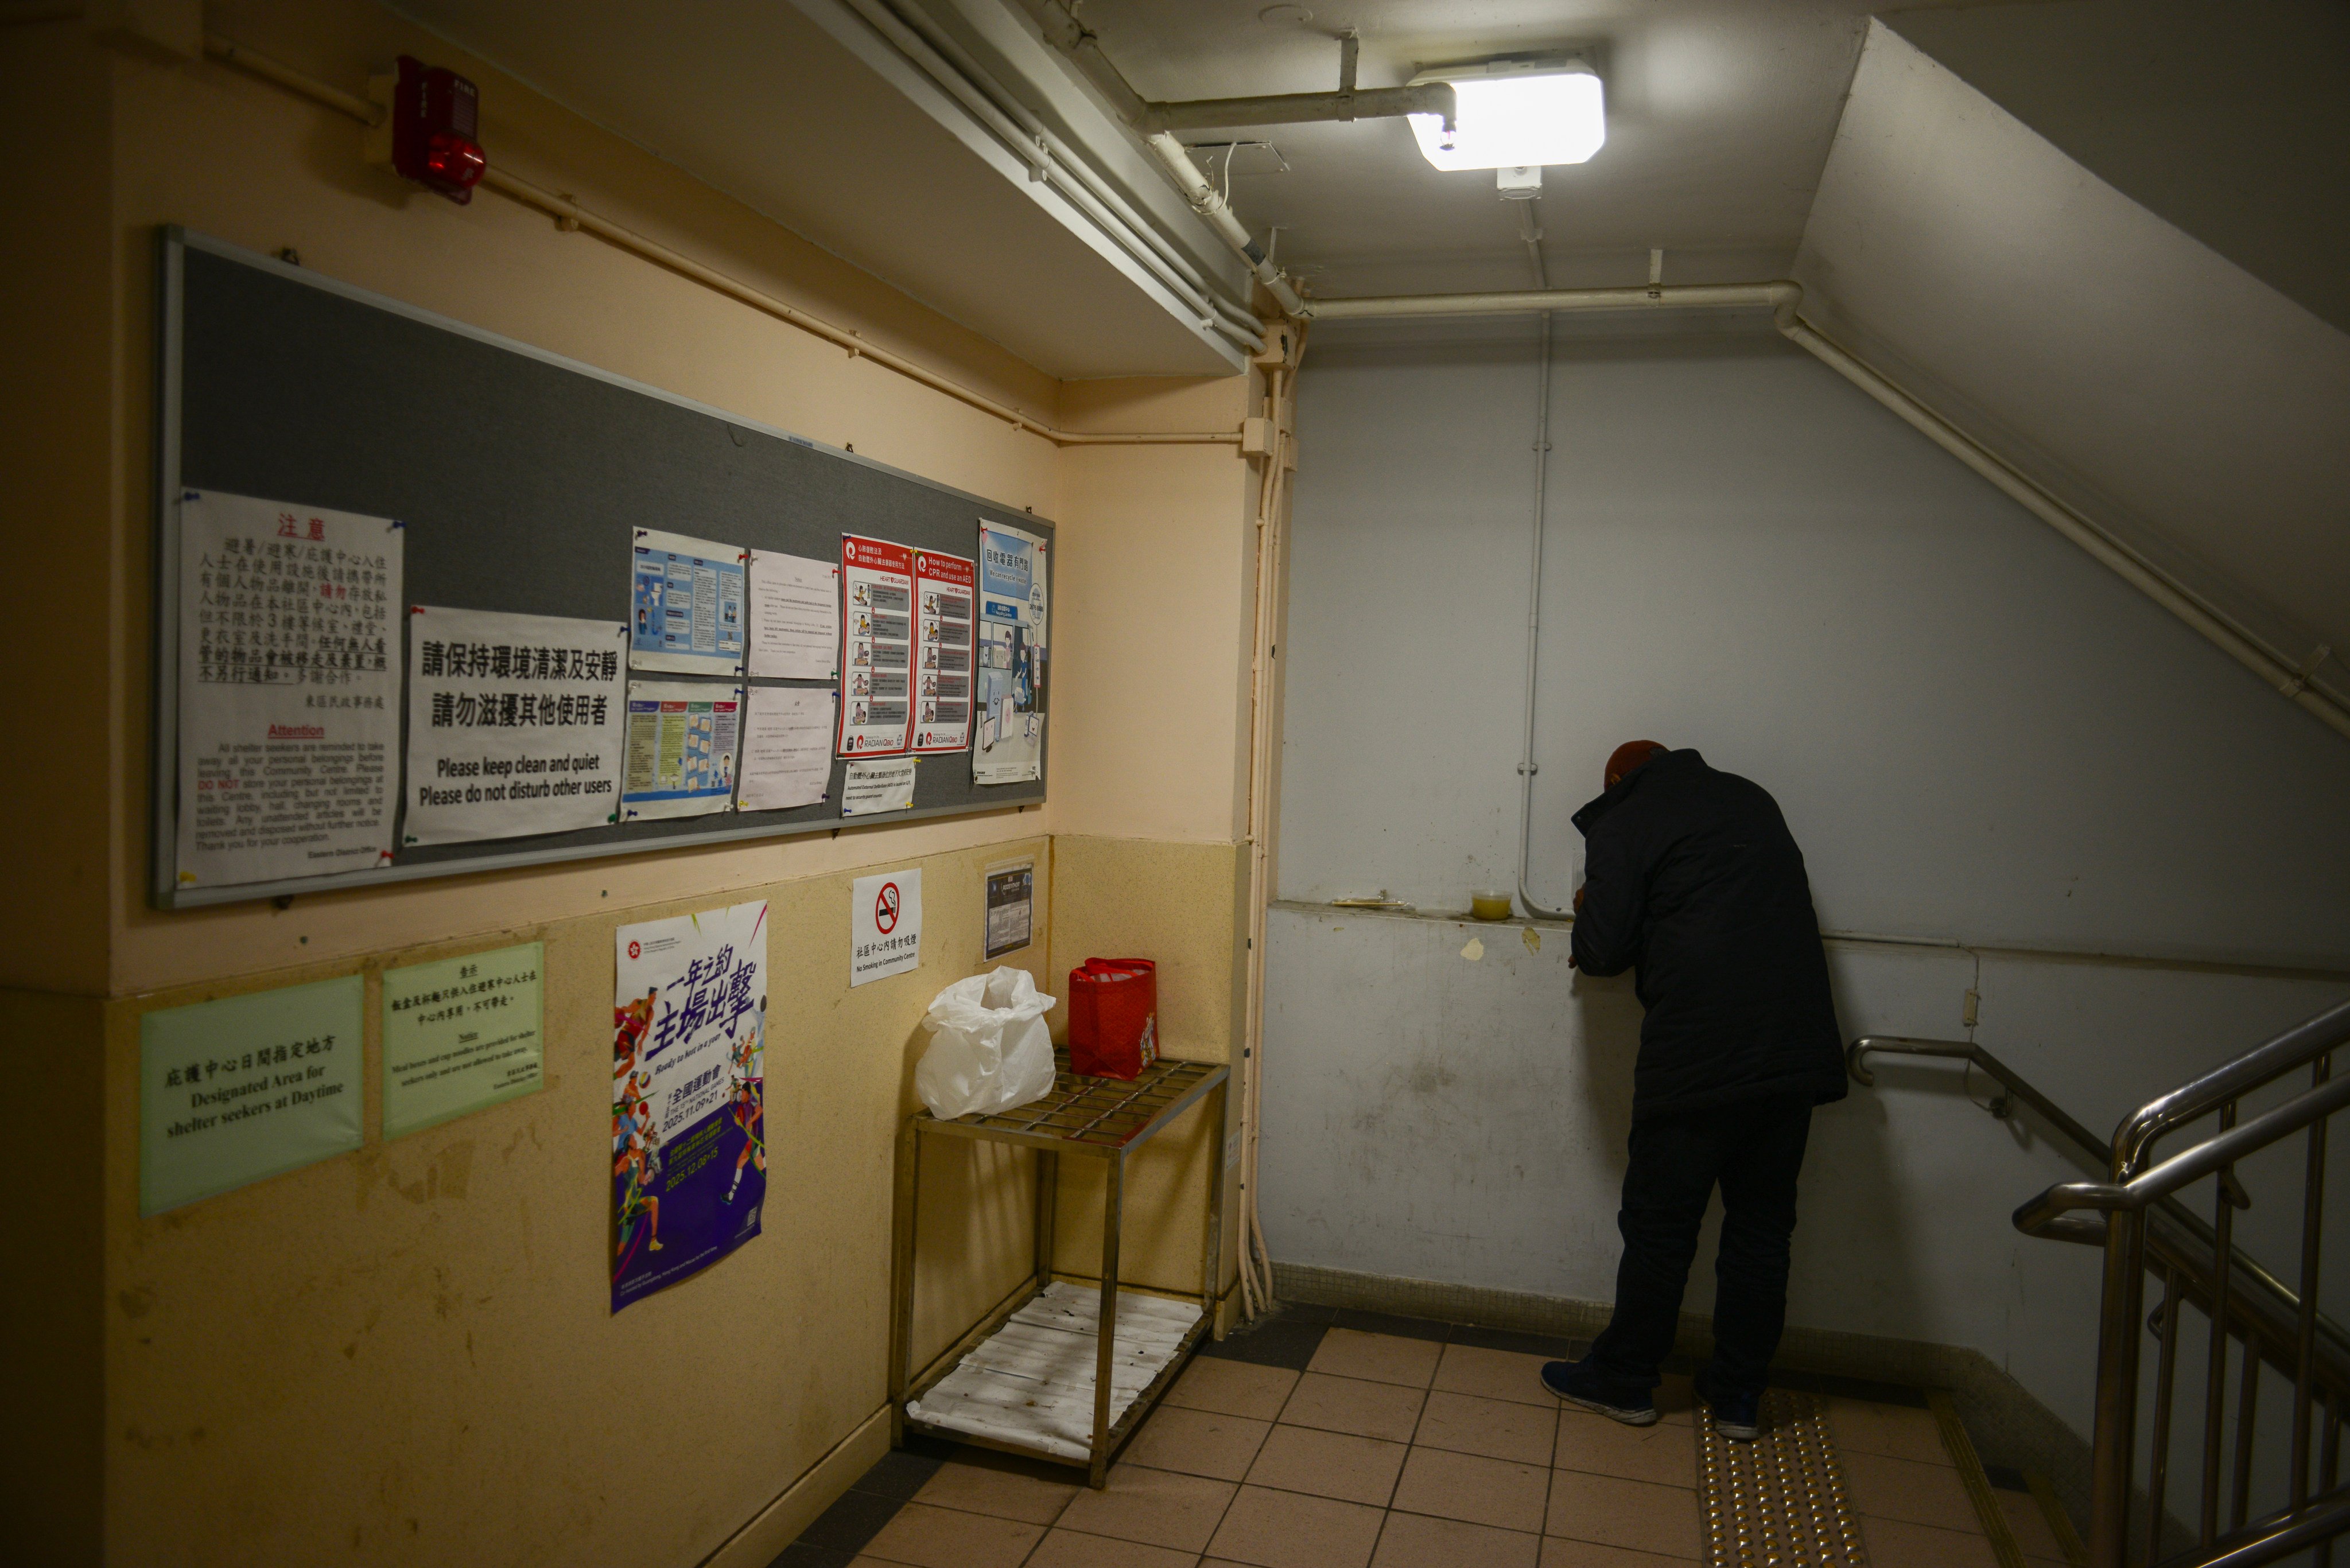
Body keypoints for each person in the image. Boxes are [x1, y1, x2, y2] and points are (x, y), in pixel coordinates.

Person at [1539, 740, 1845, 1441]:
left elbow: (1602, 952)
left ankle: (1624, 1382)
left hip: (1700, 1057)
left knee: (1661, 1229)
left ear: (1619, 781)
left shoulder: (1625, 817)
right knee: (1762, 1232)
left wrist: (1592, 906)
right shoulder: (1750, 796)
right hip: (1794, 1051)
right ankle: (1738, 1396)